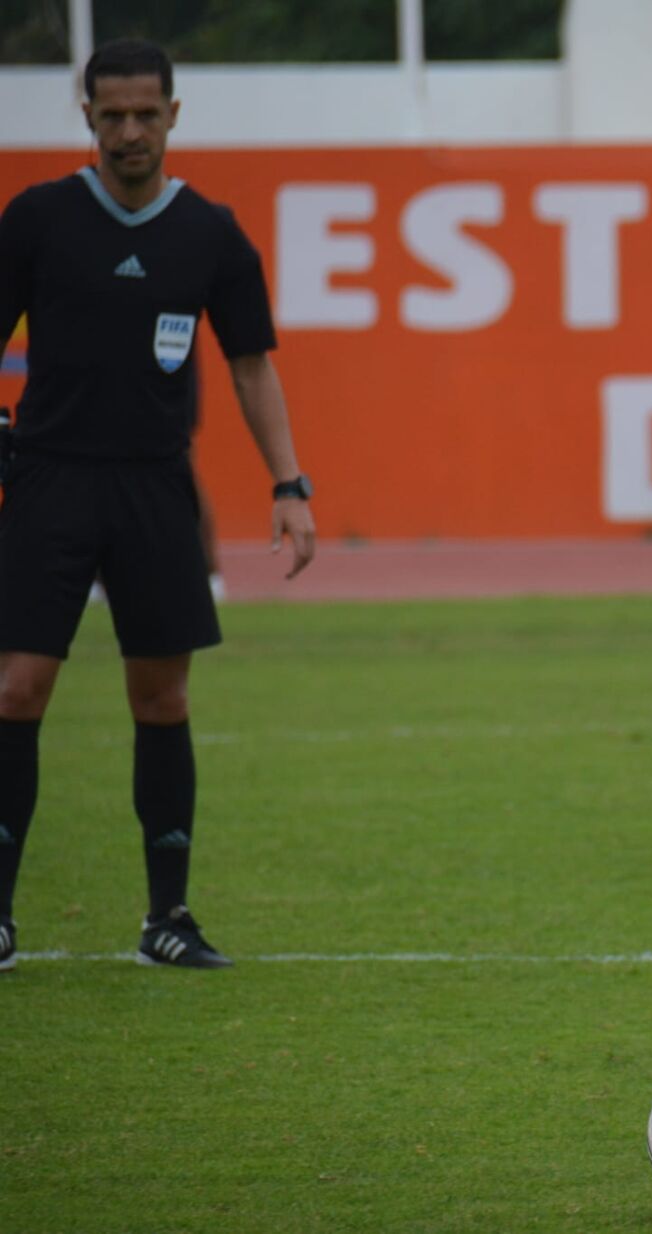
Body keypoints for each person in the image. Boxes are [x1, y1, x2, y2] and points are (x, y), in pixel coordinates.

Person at [0, 39, 315, 971]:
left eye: (146, 114)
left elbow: (251, 366)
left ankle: (167, 919)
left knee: (162, 696)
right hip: (50, 476)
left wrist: (289, 485)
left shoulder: (211, 235)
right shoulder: (37, 219)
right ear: (86, 117)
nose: (130, 131)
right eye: (112, 116)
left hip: (154, 485)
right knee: (16, 687)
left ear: (174, 115)